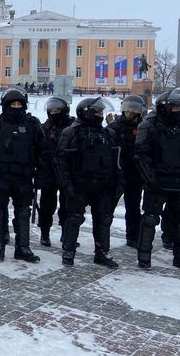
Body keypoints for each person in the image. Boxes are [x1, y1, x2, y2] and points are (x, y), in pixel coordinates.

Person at [134, 88, 180, 272]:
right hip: (159, 181)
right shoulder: (149, 126)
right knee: (150, 219)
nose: (178, 111)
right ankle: (144, 256)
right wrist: (150, 179)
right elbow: (141, 155)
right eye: (175, 108)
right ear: (164, 107)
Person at [54, 97, 121, 268]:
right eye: (97, 112)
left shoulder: (108, 134)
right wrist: (66, 184)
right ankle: (68, 252)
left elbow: (116, 162)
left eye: (101, 112)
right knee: (74, 218)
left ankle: (102, 252)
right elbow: (61, 161)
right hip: (79, 184)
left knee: (104, 219)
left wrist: (117, 184)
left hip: (102, 185)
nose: (100, 115)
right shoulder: (72, 132)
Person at [0, 88, 45, 263]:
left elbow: (43, 152)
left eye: (19, 104)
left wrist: (40, 174)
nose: (16, 107)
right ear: (5, 105)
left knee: (23, 213)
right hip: (0, 177)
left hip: (23, 178)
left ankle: (23, 248)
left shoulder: (32, 124)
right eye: (12, 104)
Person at [108, 95, 146, 248]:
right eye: (127, 109)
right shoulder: (114, 127)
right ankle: (102, 238)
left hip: (134, 174)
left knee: (133, 207)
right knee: (107, 207)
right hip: (116, 174)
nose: (130, 113)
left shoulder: (143, 128)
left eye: (133, 110)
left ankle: (133, 236)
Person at [36, 97, 74, 247]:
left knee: (67, 206)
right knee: (46, 206)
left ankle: (66, 233)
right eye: (51, 110)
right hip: (48, 172)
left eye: (57, 110)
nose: (53, 113)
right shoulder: (44, 127)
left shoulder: (72, 127)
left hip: (68, 173)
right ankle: (45, 233)